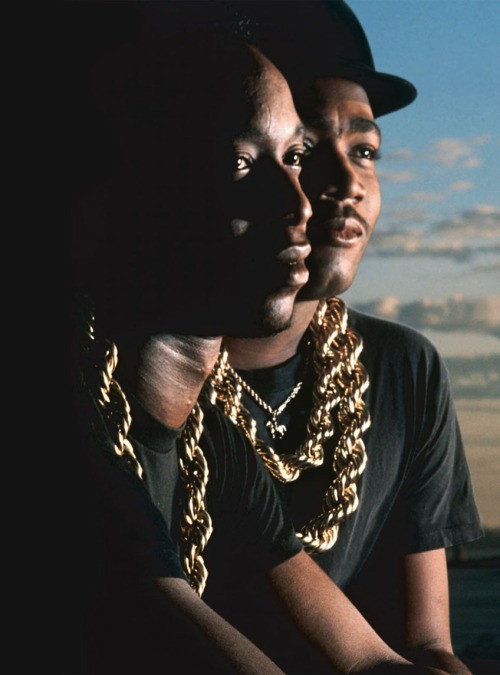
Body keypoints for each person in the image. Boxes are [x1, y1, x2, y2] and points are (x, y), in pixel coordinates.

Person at [65, 3, 443, 674]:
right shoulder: (65, 428)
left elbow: (370, 661)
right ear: (139, 188)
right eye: (241, 162)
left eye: (292, 157)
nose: (303, 202)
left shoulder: (210, 447)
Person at [206, 2, 484, 673]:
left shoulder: (403, 369)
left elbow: (425, 645)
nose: (346, 182)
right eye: (303, 151)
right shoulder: (146, 377)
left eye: (364, 151)